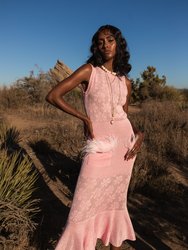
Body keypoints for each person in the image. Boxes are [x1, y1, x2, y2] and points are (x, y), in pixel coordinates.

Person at [46, 24, 144, 250]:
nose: (105, 45)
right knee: (81, 207)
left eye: (110, 40)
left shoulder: (125, 81)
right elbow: (53, 96)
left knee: (116, 201)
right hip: (99, 147)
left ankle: (114, 244)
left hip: (125, 150)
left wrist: (139, 133)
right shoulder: (89, 71)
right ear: (96, 47)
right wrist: (85, 118)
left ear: (118, 44)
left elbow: (123, 115)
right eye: (100, 42)